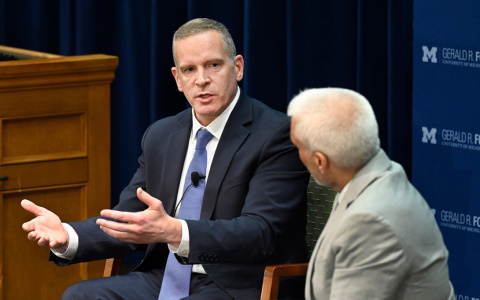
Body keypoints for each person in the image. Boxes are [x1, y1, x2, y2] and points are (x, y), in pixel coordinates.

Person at [21, 18, 310, 299]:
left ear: (237, 68)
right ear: (177, 79)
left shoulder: (276, 134)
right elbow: (131, 219)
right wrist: (68, 235)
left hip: (238, 283)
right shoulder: (161, 135)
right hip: (165, 276)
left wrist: (175, 231)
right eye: (189, 70)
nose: (202, 80)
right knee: (81, 295)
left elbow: (260, 232)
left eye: (213, 65)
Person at [287, 87, 455, 300]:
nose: (297, 154)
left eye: (298, 147)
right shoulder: (381, 174)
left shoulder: (369, 223)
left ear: (320, 162)